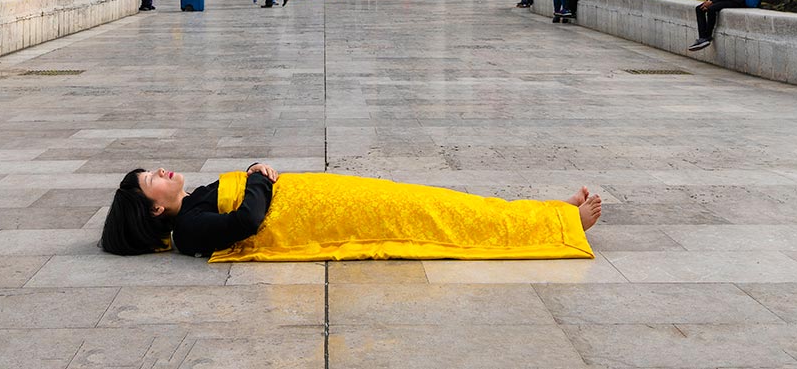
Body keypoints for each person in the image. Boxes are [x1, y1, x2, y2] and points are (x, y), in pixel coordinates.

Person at [99, 162, 601, 261]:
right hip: (333, 218)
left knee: (438, 203)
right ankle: (558, 224)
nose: (162, 172)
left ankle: (545, 212)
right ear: (155, 213)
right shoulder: (187, 230)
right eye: (152, 181)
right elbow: (246, 223)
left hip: (332, 198)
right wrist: (256, 175)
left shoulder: (193, 201)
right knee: (436, 219)